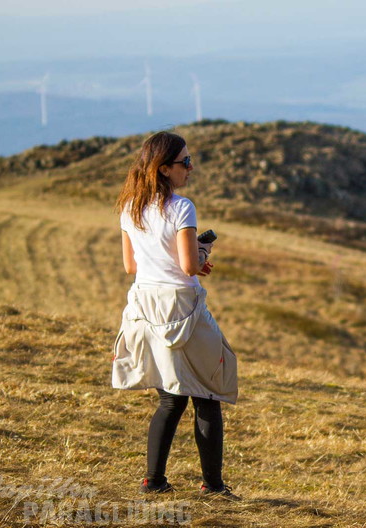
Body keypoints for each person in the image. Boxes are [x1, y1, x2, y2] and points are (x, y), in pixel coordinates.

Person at [110, 131, 239, 500]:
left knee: (170, 398)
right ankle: (213, 486)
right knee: (209, 395)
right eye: (185, 162)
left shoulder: (130, 207)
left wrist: (188, 261)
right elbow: (186, 267)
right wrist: (200, 256)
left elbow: (130, 265)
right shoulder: (182, 208)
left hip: (145, 306)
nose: (190, 167)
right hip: (182, 308)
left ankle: (154, 480)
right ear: (164, 168)